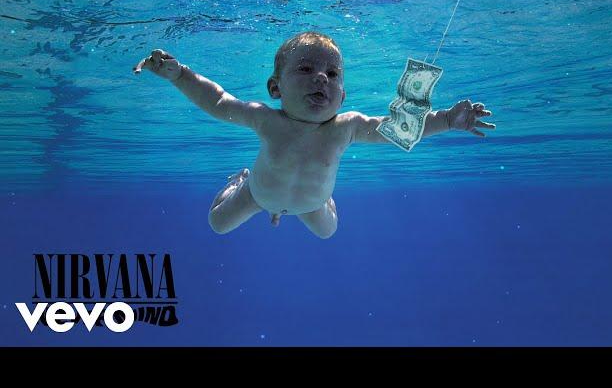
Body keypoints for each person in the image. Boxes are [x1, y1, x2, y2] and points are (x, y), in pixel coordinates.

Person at [133, 31, 495, 239]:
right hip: (258, 194)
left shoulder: (346, 127)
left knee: (328, 232)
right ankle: (240, 180)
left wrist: (447, 120)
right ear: (275, 88)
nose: (321, 77)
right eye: (306, 69)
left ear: (343, 96)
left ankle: (324, 198)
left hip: (310, 204)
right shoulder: (266, 119)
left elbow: (397, 129)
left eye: (333, 75)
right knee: (218, 224)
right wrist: (180, 75)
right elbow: (217, 101)